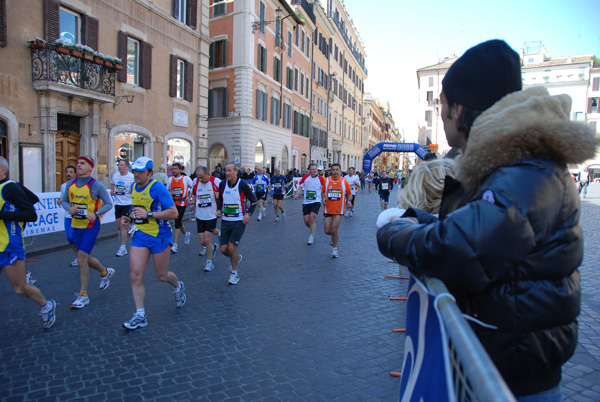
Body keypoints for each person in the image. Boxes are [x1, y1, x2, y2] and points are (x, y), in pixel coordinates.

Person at [376, 39, 598, 399]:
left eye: (442, 104)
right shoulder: (516, 166)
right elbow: (479, 233)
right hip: (499, 360)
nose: (441, 111)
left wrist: (393, 232)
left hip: (512, 380)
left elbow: (462, 248)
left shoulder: (526, 171)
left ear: (459, 109)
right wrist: (416, 217)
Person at [120, 157, 186, 330]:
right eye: (135, 170)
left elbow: (173, 213)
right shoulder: (134, 186)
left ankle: (178, 286)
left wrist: (148, 215)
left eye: (140, 171)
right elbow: (136, 209)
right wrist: (129, 218)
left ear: (150, 173)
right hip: (141, 235)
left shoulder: (157, 188)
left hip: (160, 236)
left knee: (161, 276)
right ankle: (140, 315)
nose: (136, 174)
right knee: (135, 275)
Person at [0, 156, 57, 329]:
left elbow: (31, 214)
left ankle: (47, 306)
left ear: (2, 170)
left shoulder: (10, 188)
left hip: (10, 245)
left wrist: (2, 215)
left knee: (20, 288)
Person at [61, 155, 114, 309]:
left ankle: (83, 295)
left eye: (82, 163)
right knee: (83, 257)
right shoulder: (70, 184)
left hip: (91, 227)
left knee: (81, 258)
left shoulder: (96, 185)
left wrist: (96, 214)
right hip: (76, 224)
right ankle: (104, 272)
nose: (78, 165)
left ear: (90, 167)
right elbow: (64, 201)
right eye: (77, 163)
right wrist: (68, 208)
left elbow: (109, 204)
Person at [216, 163, 257, 285]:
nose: (227, 173)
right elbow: (220, 199)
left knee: (231, 247)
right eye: (225, 170)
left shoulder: (242, 185)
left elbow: (253, 201)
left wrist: (248, 214)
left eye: (229, 170)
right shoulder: (222, 184)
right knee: (223, 250)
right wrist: (219, 209)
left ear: (236, 172)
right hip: (226, 221)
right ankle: (236, 258)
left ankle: (234, 273)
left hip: (239, 221)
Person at [190, 166, 220, 272]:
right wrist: (192, 203)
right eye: (198, 177)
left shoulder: (216, 181)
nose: (200, 180)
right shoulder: (195, 182)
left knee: (207, 240)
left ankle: (209, 262)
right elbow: (194, 194)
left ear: (208, 174)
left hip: (211, 215)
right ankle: (212, 247)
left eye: (202, 177)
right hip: (200, 215)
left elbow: (225, 194)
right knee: (202, 242)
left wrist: (219, 195)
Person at [321, 163, 351, 258]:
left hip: (339, 209)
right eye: (333, 170)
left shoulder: (344, 182)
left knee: (334, 230)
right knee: (327, 231)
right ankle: (333, 238)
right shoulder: (326, 180)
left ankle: (334, 249)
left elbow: (349, 194)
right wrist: (324, 198)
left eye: (337, 169)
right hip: (328, 208)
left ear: (340, 171)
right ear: (330, 171)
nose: (335, 171)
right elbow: (322, 192)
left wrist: (349, 201)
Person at [295, 163, 325, 245]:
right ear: (309, 170)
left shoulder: (321, 179)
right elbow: (300, 187)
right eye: (313, 169)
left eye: (316, 169)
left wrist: (324, 199)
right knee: (306, 221)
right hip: (306, 202)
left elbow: (324, 190)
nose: (315, 170)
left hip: (316, 201)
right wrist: (297, 194)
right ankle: (313, 228)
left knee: (312, 218)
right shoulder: (305, 177)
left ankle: (311, 236)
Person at [167, 162, 193, 253]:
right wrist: (169, 193)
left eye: (175, 169)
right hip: (174, 203)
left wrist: (189, 196)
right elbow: (167, 190)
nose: (174, 170)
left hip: (182, 202)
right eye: (172, 169)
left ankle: (175, 244)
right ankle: (186, 234)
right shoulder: (170, 179)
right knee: (178, 221)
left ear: (180, 170)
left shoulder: (185, 178)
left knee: (177, 222)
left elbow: (194, 186)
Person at [111, 159, 134, 257]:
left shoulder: (131, 177)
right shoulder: (115, 176)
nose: (119, 166)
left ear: (126, 167)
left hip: (128, 203)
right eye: (118, 164)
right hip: (118, 203)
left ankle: (123, 247)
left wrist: (131, 190)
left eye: (121, 165)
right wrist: (112, 191)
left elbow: (137, 187)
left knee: (122, 223)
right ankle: (131, 231)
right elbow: (112, 184)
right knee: (119, 227)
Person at [57, 165, 78, 267]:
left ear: (75, 174)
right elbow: (62, 199)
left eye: (71, 172)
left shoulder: (78, 185)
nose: (68, 174)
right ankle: (79, 256)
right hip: (67, 216)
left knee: (72, 236)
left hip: (76, 216)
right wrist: (60, 201)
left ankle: (82, 256)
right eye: (67, 172)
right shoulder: (63, 186)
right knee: (69, 239)